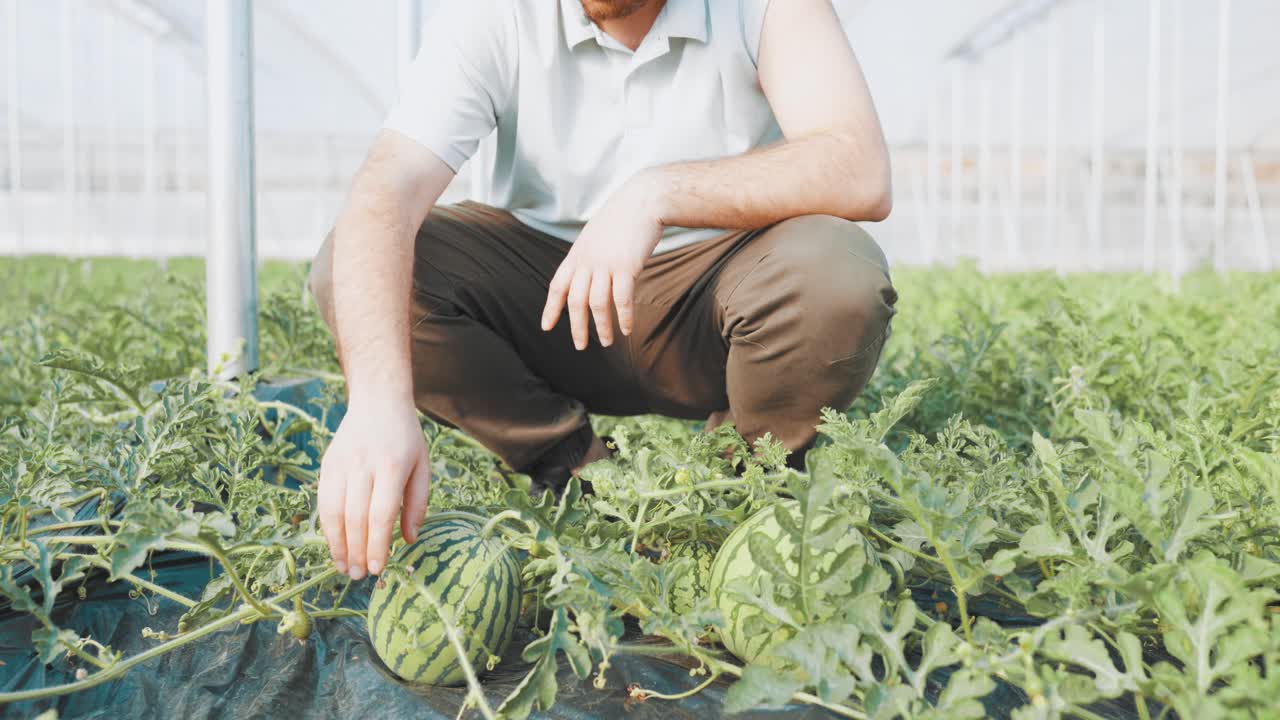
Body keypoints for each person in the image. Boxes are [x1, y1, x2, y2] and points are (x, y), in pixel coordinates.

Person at [308, 0, 897, 581]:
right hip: (546, 307)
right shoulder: (494, 15)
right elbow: (385, 191)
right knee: (356, 264)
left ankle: (727, 497)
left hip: (719, 298)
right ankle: (580, 477)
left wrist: (656, 194)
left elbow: (857, 166)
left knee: (835, 277)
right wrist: (376, 403)